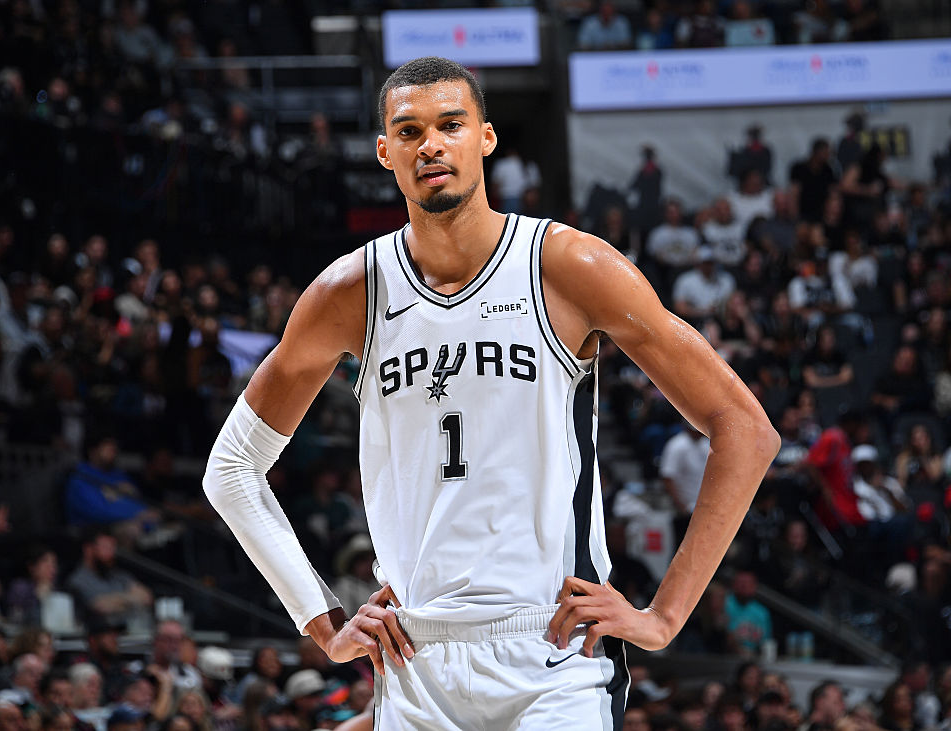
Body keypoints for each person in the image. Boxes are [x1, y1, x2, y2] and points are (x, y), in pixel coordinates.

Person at [203, 56, 779, 730]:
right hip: (413, 654)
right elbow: (232, 469)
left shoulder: (568, 266)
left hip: (554, 649)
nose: (432, 145)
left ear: (486, 137)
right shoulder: (347, 292)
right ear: (385, 151)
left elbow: (743, 426)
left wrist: (664, 615)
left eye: (451, 124)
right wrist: (322, 619)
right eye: (410, 131)